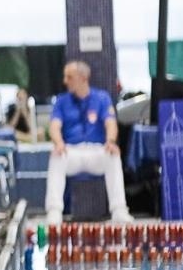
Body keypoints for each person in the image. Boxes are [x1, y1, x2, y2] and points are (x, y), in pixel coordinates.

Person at [46, 61, 132, 224]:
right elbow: (55, 126)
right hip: (71, 151)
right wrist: (58, 143)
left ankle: (119, 209)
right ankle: (54, 211)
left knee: (113, 155)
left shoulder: (101, 98)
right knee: (56, 156)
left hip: (96, 150)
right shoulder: (61, 101)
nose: (65, 81)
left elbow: (110, 123)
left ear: (83, 78)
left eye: (69, 77)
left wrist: (110, 141)